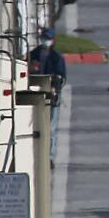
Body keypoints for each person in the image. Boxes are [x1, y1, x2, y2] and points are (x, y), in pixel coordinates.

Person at [29, 28, 67, 166]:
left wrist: (55, 87)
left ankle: (49, 157)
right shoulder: (33, 55)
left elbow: (62, 78)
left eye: (48, 38)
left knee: (50, 128)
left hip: (51, 95)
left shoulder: (57, 58)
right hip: (34, 95)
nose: (45, 40)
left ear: (53, 40)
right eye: (44, 37)